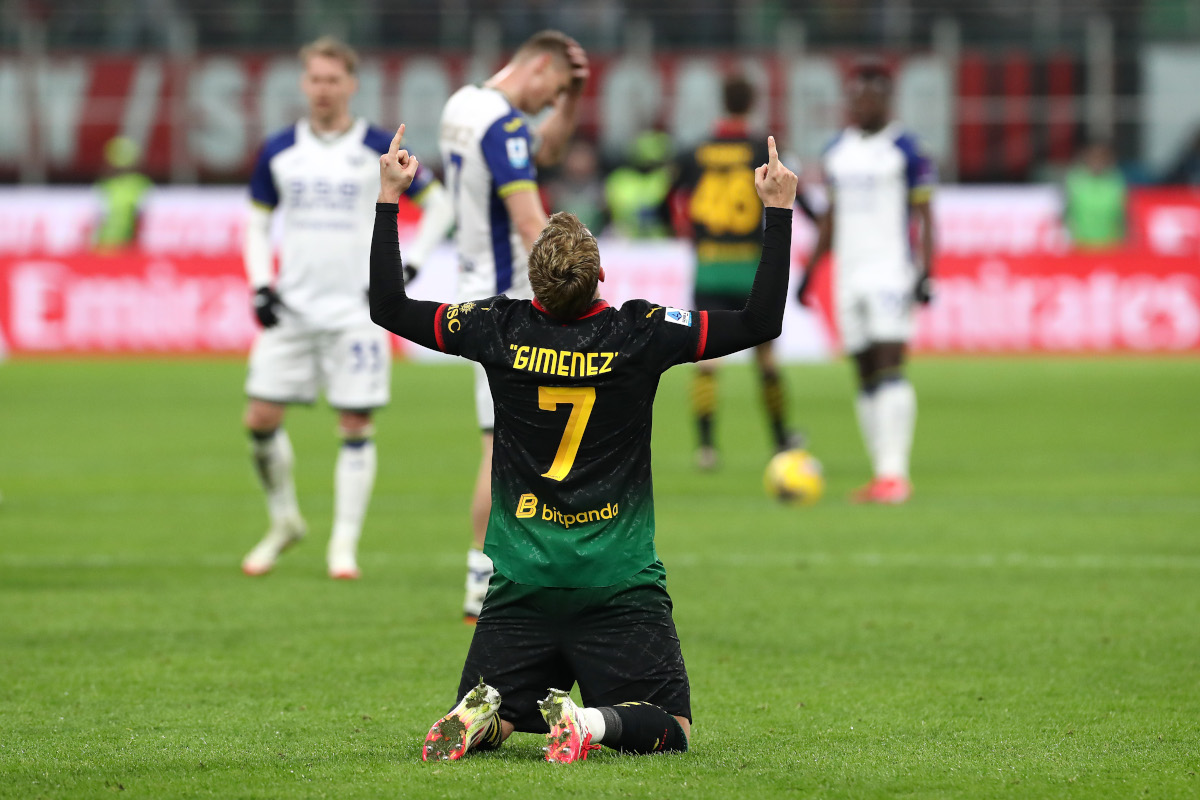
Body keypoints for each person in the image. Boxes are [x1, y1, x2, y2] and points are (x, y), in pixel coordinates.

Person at [367, 125, 796, 762]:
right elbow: (761, 322)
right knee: (669, 725)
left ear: (534, 285)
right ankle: (590, 726)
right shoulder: (641, 332)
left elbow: (388, 306)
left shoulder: (495, 325)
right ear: (600, 275)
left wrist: (387, 199)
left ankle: (488, 716)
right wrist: (779, 212)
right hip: (617, 582)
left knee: (507, 709)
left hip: (520, 584)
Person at [239, 36, 455, 579]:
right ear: (303, 83)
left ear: (352, 85)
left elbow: (440, 204)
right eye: (315, 79)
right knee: (260, 417)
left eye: (334, 79)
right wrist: (261, 284)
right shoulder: (279, 149)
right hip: (294, 307)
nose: (323, 88)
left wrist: (409, 266)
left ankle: (343, 546)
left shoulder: (379, 147)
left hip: (358, 312)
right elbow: (257, 222)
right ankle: (285, 520)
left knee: (355, 422)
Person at [438, 29, 589, 621]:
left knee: (512, 438)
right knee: (504, 444)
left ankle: (502, 569)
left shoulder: (462, 105)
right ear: (538, 67)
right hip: (513, 303)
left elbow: (542, 152)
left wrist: (572, 100)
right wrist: (574, 284)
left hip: (475, 294)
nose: (552, 104)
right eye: (553, 90)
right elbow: (530, 222)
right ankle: (486, 575)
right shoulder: (502, 126)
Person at [796, 59, 935, 505]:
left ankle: (896, 474)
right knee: (864, 371)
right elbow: (832, 219)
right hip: (848, 275)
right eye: (855, 94)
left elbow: (926, 216)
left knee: (891, 364)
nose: (860, 102)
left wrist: (926, 270)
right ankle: (882, 473)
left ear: (886, 99)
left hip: (891, 271)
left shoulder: (907, 150)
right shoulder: (838, 149)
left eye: (869, 95)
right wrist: (809, 272)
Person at [673, 74, 809, 469]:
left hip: (710, 266)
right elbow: (793, 192)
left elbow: (668, 196)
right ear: (752, 104)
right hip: (751, 266)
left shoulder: (695, 151)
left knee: (707, 360)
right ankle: (782, 439)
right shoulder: (759, 149)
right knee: (766, 359)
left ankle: (706, 448)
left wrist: (688, 232)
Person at [1063, 140, 1126, 250]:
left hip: (1111, 246)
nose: (1097, 161)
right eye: (1094, 156)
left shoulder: (1116, 181)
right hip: (1080, 246)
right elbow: (1065, 213)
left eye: (1102, 157)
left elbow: (1124, 215)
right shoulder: (1074, 179)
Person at [93, 136, 153, 252]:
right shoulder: (106, 184)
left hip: (122, 244)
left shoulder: (138, 184)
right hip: (107, 243)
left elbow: (140, 217)